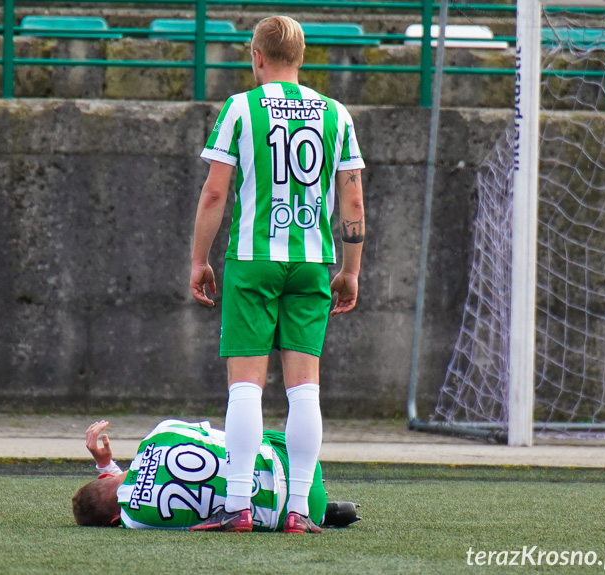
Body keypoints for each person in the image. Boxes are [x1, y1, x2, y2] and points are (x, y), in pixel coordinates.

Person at [188, 15, 365, 533]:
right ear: (302, 58)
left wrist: (199, 260)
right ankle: (297, 511)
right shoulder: (336, 113)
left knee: (246, 386)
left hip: (253, 258)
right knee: (303, 387)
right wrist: (350, 270)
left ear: (256, 57)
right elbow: (352, 199)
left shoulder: (241, 108)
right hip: (313, 260)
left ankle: (238, 505)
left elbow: (215, 192)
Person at [71, 420, 360, 531]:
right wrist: (106, 465)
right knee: (238, 443)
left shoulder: (135, 520)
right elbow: (224, 439)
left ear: (114, 521)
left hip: (288, 513)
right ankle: (313, 493)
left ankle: (324, 512)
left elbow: (131, 500)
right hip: (301, 458)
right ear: (103, 479)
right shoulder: (157, 434)